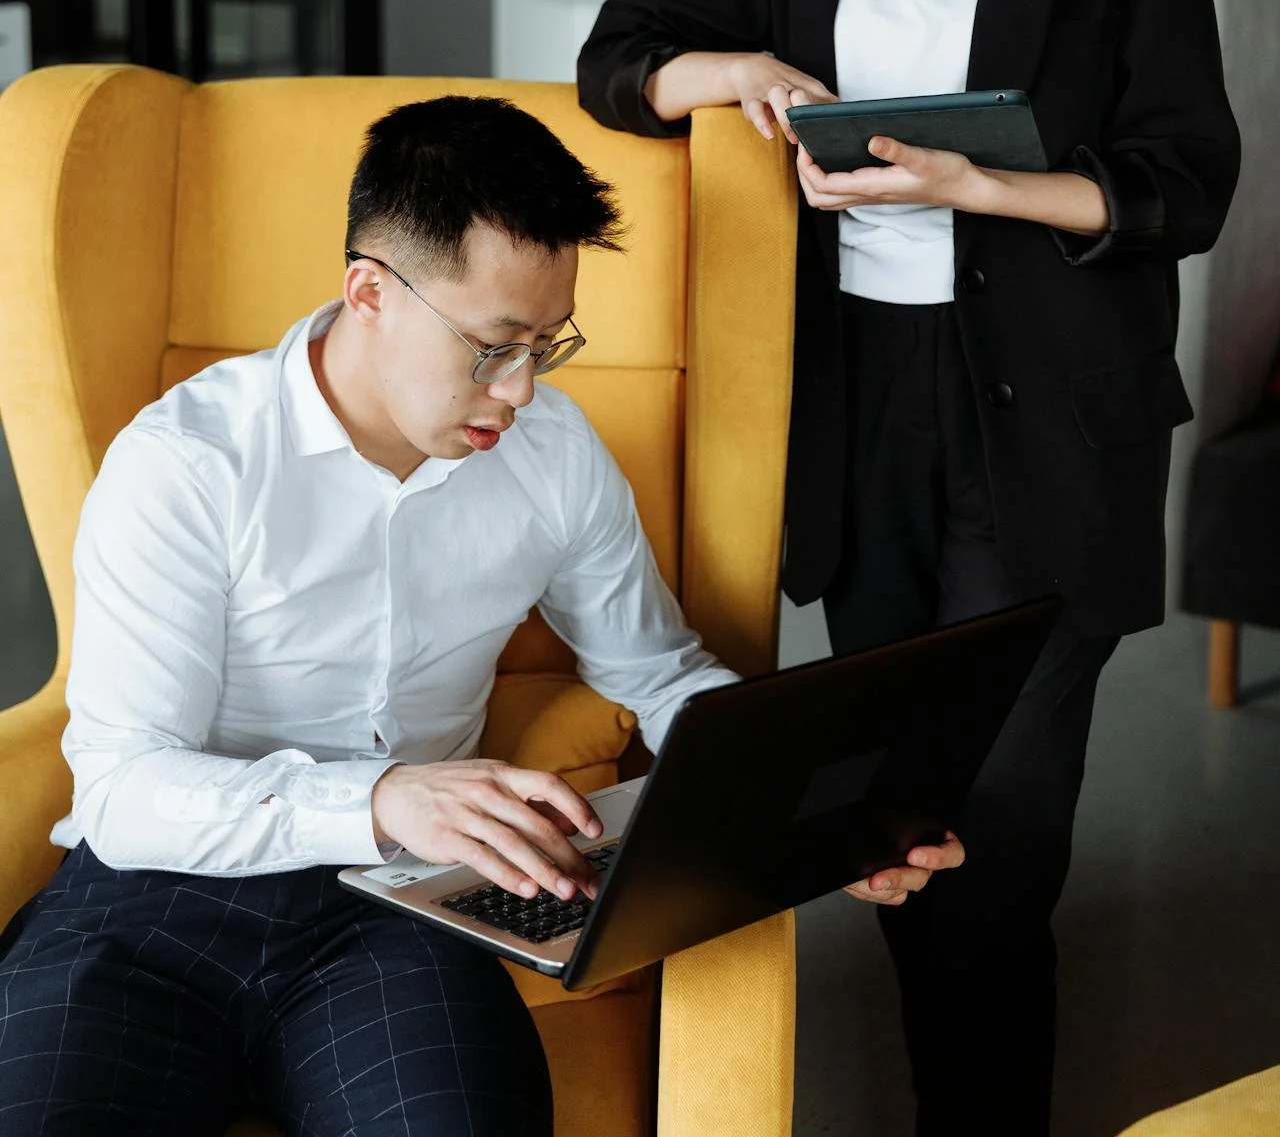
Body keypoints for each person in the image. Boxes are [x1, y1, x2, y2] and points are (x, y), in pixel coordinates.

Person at [577, 0, 1240, 1136]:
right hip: (865, 403)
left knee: (1002, 842)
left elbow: (1188, 179)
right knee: (897, 814)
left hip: (1047, 408)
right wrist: (716, 73)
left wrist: (985, 187)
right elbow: (622, 50)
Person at [0, 94, 960, 1136]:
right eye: (492, 345)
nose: (517, 391)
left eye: (548, 343)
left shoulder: (551, 454)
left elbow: (656, 671)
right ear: (369, 293)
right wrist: (382, 798)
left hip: (395, 911)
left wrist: (818, 812)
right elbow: (126, 786)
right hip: (153, 904)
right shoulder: (187, 462)